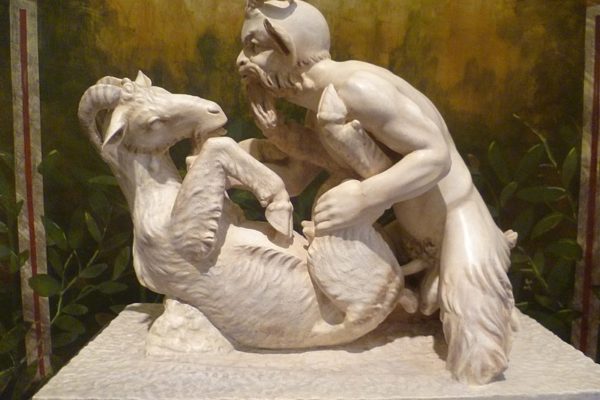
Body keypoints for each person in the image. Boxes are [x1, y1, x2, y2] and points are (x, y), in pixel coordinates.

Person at [237, 0, 518, 385]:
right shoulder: (320, 107)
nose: (241, 60)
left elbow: (435, 156)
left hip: (458, 226)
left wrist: (365, 197)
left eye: (253, 47)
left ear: (287, 47)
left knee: (478, 361)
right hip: (407, 240)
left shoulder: (358, 88)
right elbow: (301, 178)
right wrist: (278, 134)